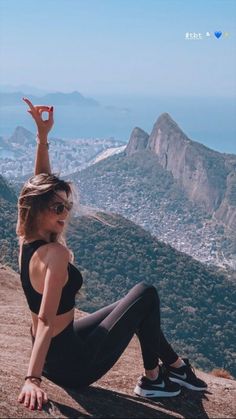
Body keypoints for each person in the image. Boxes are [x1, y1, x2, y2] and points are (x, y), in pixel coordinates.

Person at [17, 97, 207, 412]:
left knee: (132, 305)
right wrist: (31, 379)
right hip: (71, 366)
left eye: (68, 206)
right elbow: (46, 320)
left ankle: (173, 367)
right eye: (59, 207)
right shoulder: (56, 254)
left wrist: (42, 139)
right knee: (145, 293)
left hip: (57, 353)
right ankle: (153, 379)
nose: (66, 213)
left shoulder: (26, 239)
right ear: (39, 209)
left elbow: (40, 188)